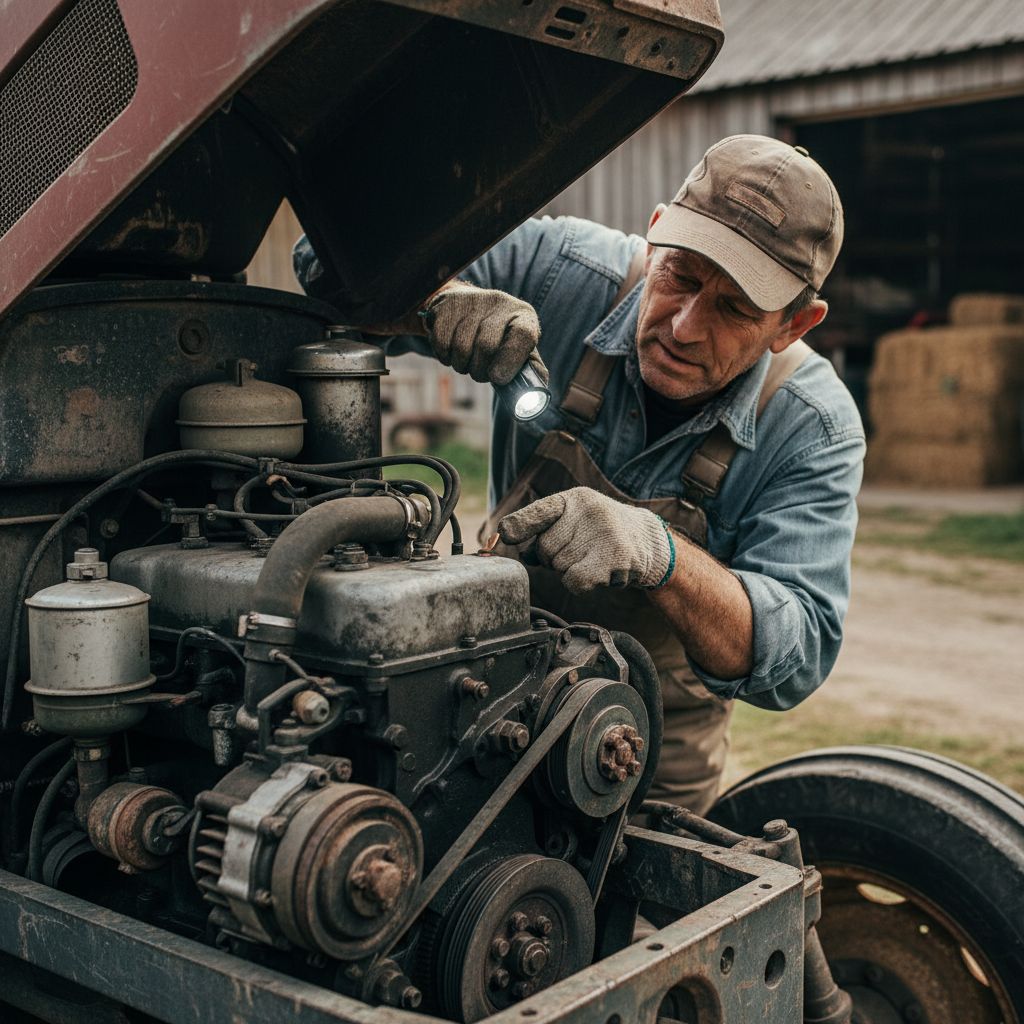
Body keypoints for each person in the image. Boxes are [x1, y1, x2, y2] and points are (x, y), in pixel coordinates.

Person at [293, 135, 866, 814]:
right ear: (654, 237)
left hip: (645, 736)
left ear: (794, 325)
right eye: (680, 276)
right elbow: (327, 254)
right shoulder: (560, 269)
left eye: (735, 308)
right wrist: (435, 300)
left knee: (644, 912)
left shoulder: (811, 426)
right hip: (480, 681)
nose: (684, 326)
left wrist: (664, 557)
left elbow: (795, 658)